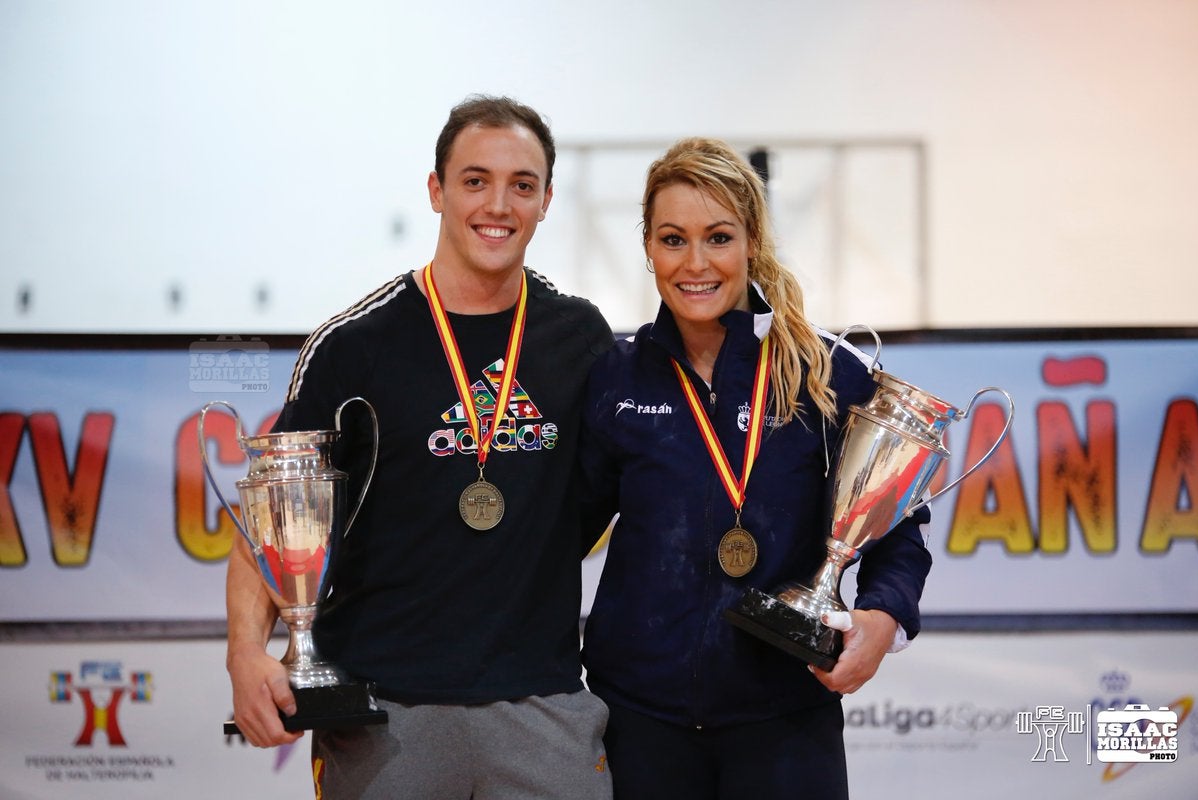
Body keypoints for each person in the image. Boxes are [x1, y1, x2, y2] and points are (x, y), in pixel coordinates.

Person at [225, 95, 614, 799]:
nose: (498, 204)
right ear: (436, 190)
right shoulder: (354, 347)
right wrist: (244, 651)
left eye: (522, 184)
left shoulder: (581, 339)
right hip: (387, 715)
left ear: (547, 199)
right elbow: (273, 512)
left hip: (543, 704)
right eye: (474, 180)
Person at [579, 138, 933, 799]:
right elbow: (561, 532)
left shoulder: (826, 373)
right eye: (672, 239)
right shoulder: (615, 376)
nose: (695, 263)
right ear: (649, 248)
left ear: (751, 241)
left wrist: (882, 621)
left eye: (718, 237)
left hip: (786, 721)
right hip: (640, 722)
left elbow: (898, 530)